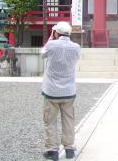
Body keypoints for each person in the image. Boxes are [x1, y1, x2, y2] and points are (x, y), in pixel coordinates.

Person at [41, 21, 81, 161]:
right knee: (69, 120)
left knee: (50, 121)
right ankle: (69, 148)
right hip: (69, 90)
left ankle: (52, 150)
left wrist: (50, 39)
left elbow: (42, 54)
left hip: (51, 90)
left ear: (56, 32)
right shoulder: (76, 47)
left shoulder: (51, 45)